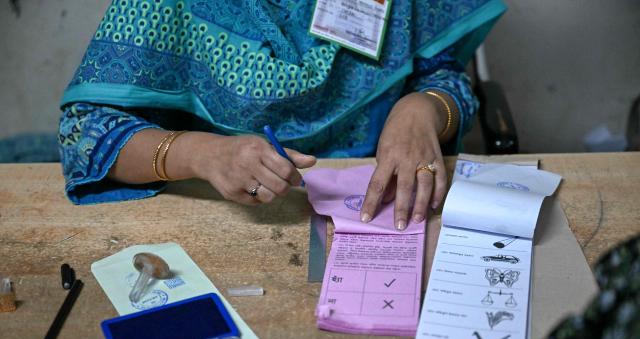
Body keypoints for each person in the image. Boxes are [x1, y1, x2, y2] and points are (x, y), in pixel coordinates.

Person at [58, 0, 506, 230]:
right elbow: (84, 132)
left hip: (382, 205)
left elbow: (443, 77)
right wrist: (199, 154)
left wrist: (421, 109)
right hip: (222, 215)